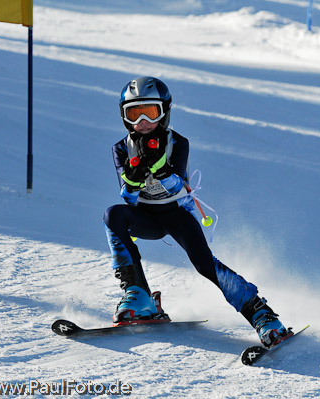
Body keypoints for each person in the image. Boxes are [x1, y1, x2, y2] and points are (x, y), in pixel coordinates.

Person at [103, 76, 291, 347]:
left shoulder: (177, 142)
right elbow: (128, 197)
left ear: (165, 112)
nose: (142, 121)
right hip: (144, 217)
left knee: (205, 265)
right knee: (113, 215)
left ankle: (260, 313)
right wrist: (133, 175)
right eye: (134, 113)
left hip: (175, 214)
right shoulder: (121, 148)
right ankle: (139, 294)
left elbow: (177, 185)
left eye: (150, 112)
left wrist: (158, 168)